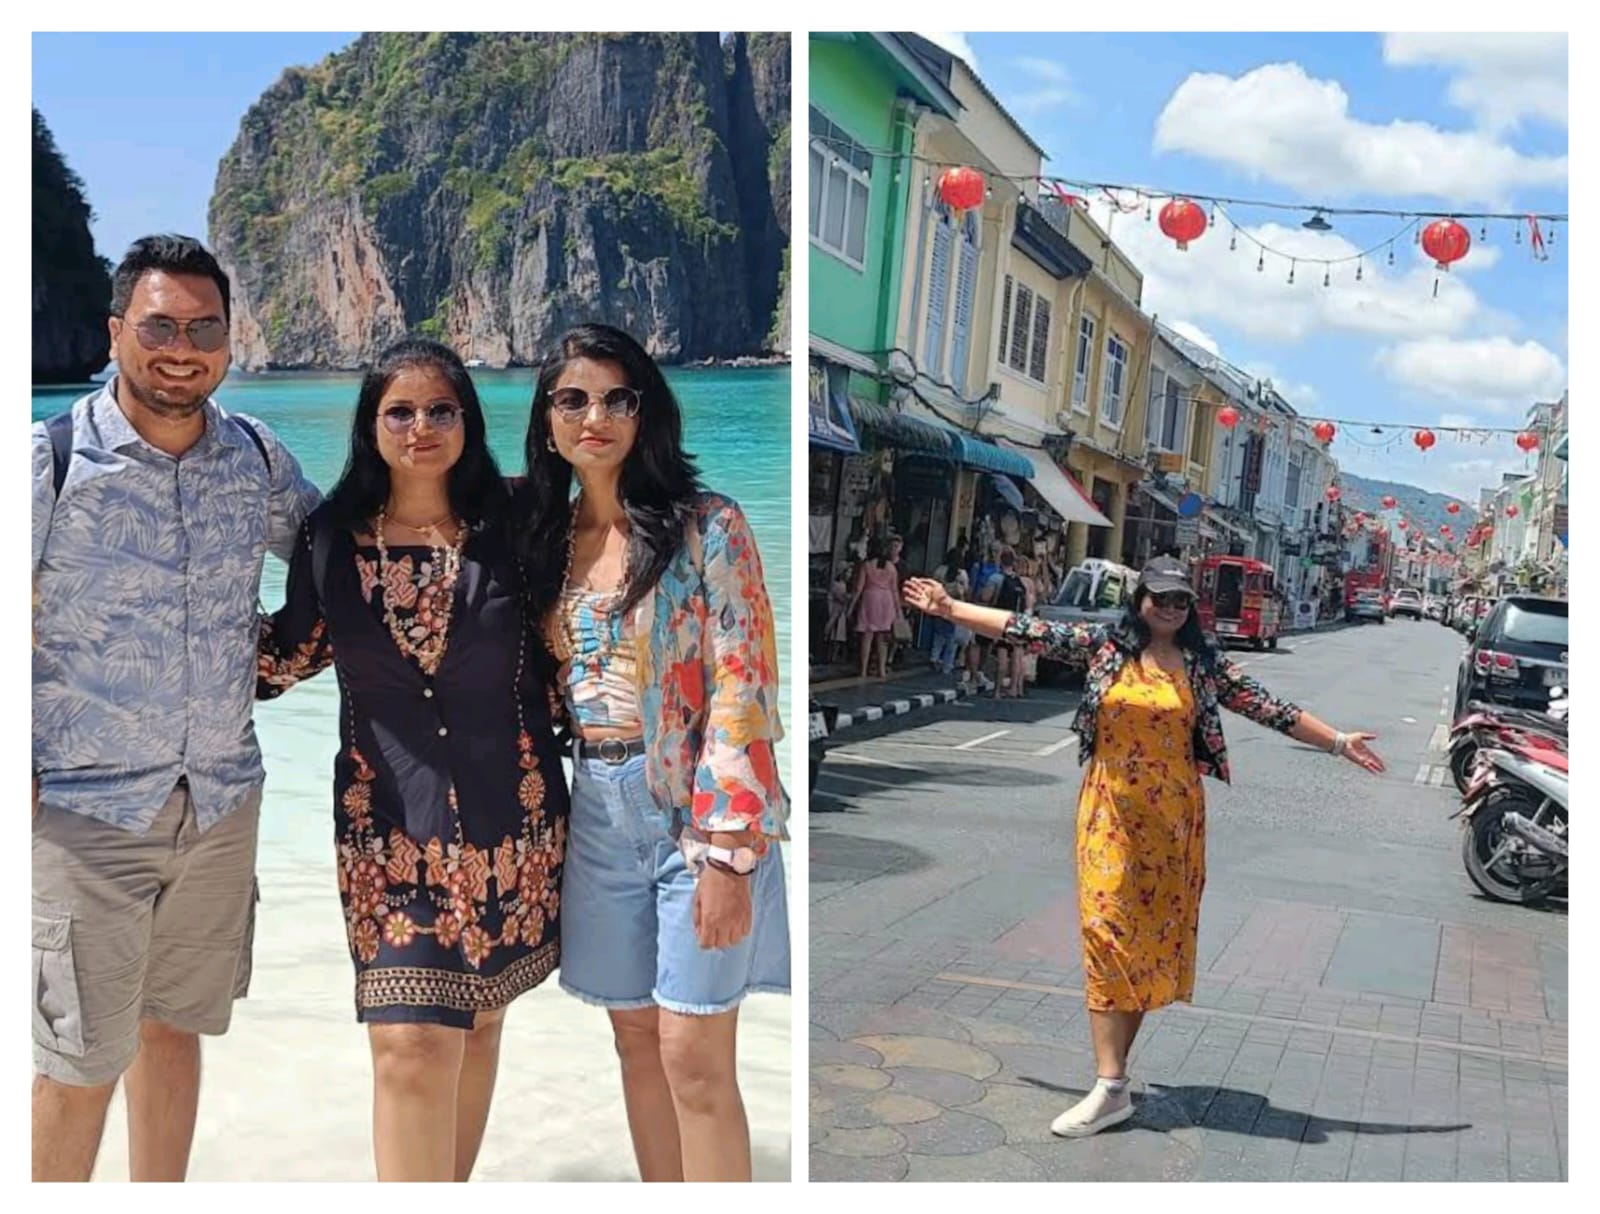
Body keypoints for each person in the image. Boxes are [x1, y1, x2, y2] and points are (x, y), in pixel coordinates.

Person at [903, 556, 1385, 1138]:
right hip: (1108, 808)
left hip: (1174, 818)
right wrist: (950, 608)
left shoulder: (1203, 666)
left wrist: (1337, 742)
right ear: (1139, 599)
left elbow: (1271, 709)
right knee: (1106, 930)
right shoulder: (1105, 647)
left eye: (1181, 600)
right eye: (1160, 598)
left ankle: (1113, 1083)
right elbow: (1024, 629)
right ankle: (1110, 1085)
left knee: (1147, 941)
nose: (1170, 609)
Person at [32, 235, 321, 1182]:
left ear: (231, 340)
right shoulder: (52, 459)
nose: (181, 347)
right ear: (116, 332)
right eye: (159, 325)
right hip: (84, 814)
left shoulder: (254, 456)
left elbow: (337, 558)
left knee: (175, 1032)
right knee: (77, 1064)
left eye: (204, 328)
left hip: (222, 804)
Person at [255, 338, 567, 1181]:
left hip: (516, 818)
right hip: (385, 827)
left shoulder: (522, 519)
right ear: (371, 425)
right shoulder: (329, 538)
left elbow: (598, 604)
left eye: (441, 410)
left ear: (467, 421)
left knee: (482, 1016)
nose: (421, 427)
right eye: (400, 411)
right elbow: (285, 657)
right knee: (408, 1041)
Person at [515, 323, 789, 1183]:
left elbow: (744, 689)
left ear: (646, 412)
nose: (594, 416)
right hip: (593, 807)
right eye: (572, 399)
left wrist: (729, 854)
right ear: (549, 418)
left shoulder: (710, 526)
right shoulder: (544, 540)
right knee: (635, 1038)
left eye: (616, 398)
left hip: (691, 810)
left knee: (694, 1056)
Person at [852, 537, 899, 680]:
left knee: (867, 636)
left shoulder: (866, 566)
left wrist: (852, 605)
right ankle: (882, 670)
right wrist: (898, 609)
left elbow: (859, 588)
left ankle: (864, 670)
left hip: (870, 599)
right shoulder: (891, 567)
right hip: (886, 600)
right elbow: (894, 590)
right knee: (882, 638)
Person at [989, 549, 1029, 699]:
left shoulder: (997, 578)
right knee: (1017, 658)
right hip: (1018, 623)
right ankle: (1015, 688)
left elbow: (987, 597)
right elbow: (1028, 604)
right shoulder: (1023, 582)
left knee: (1002, 658)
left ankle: (997, 691)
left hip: (1002, 621)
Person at [928, 546, 967, 676]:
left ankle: (934, 657)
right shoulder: (962, 574)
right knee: (951, 637)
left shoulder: (940, 570)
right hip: (954, 606)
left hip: (940, 604)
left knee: (939, 633)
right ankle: (947, 665)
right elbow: (965, 590)